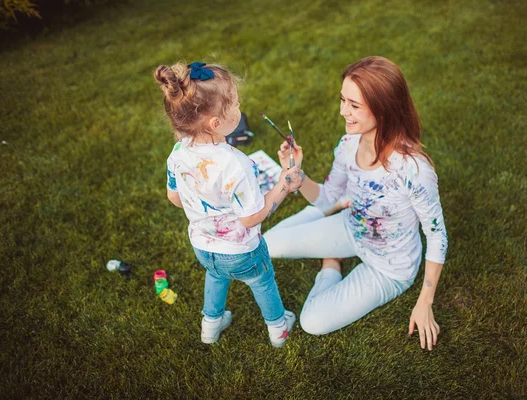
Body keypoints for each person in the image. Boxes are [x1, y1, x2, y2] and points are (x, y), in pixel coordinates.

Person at [263, 56, 448, 351]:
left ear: (383, 108)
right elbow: (327, 197)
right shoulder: (348, 145)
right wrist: (295, 173)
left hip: (389, 268)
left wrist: (425, 302)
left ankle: (331, 264)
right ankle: (334, 232)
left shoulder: (414, 169)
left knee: (312, 322)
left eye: (354, 105)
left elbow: (437, 237)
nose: (342, 111)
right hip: (351, 227)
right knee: (267, 245)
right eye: (342, 100)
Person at [154, 61, 305, 347]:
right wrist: (285, 184)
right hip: (241, 251)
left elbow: (174, 198)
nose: (239, 107)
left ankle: (210, 327)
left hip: (202, 246)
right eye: (235, 103)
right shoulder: (237, 164)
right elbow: (251, 218)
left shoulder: (177, 152)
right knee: (262, 280)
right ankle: (278, 329)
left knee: (215, 275)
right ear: (216, 123)